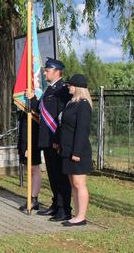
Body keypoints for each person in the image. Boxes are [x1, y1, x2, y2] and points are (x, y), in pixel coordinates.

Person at [26, 58, 72, 221]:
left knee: (60, 176)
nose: (44, 72)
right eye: (45, 70)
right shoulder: (49, 90)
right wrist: (31, 98)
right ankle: (55, 204)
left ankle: (64, 209)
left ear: (57, 71)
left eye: (47, 70)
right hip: (46, 139)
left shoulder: (63, 91)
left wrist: (58, 140)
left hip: (55, 139)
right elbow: (39, 110)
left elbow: (62, 118)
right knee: (52, 175)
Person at [59, 74, 93, 226]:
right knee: (73, 183)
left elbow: (82, 131)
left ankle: (81, 216)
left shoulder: (83, 104)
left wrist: (76, 153)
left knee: (79, 183)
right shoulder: (72, 103)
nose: (68, 87)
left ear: (77, 87)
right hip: (67, 149)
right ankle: (76, 214)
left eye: (70, 85)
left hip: (78, 151)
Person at [17, 111, 42, 211]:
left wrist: (28, 147)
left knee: (34, 168)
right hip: (25, 142)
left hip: (33, 141)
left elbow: (33, 128)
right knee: (29, 169)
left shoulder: (34, 107)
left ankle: (33, 198)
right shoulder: (24, 110)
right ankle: (30, 197)